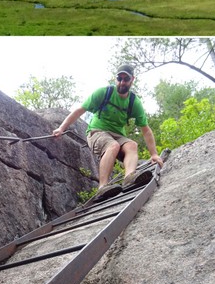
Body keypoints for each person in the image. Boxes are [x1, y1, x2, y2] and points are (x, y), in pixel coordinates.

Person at [53, 64, 163, 196]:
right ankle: (102, 187)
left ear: (132, 80)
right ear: (115, 79)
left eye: (125, 79)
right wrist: (61, 128)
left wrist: (154, 154)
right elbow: (79, 111)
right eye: (119, 78)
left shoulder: (134, 102)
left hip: (117, 134)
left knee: (132, 145)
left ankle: (130, 178)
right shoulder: (104, 93)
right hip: (97, 132)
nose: (122, 82)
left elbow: (146, 130)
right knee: (113, 145)